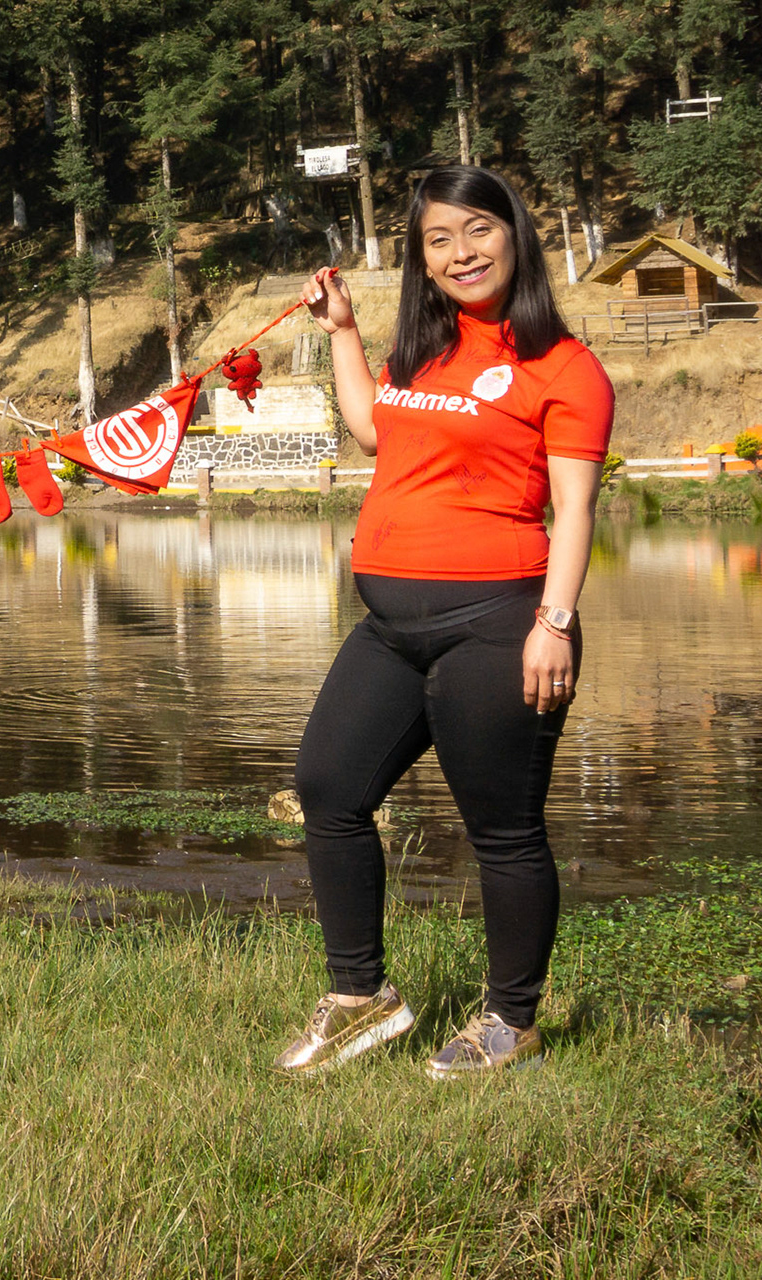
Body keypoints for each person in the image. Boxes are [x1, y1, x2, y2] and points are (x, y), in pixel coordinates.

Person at [272, 166, 613, 1079]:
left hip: (499, 621)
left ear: (514, 233)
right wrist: (344, 333)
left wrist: (554, 622)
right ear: (422, 259)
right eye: (438, 240)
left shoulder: (565, 366)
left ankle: (513, 1022)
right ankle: (361, 997)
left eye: (477, 230)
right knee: (329, 787)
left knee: (501, 827)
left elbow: (575, 512)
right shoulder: (422, 349)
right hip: (389, 623)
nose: (462, 253)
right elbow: (375, 431)